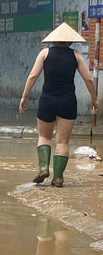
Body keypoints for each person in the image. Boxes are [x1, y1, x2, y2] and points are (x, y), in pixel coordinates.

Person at [20, 23, 98, 187]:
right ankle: (58, 178)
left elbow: (33, 75)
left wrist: (24, 96)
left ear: (53, 40)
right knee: (62, 142)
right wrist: (94, 99)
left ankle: (43, 168)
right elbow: (89, 79)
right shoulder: (76, 56)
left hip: (47, 100)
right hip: (68, 102)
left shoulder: (44, 53)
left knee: (44, 137)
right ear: (70, 42)